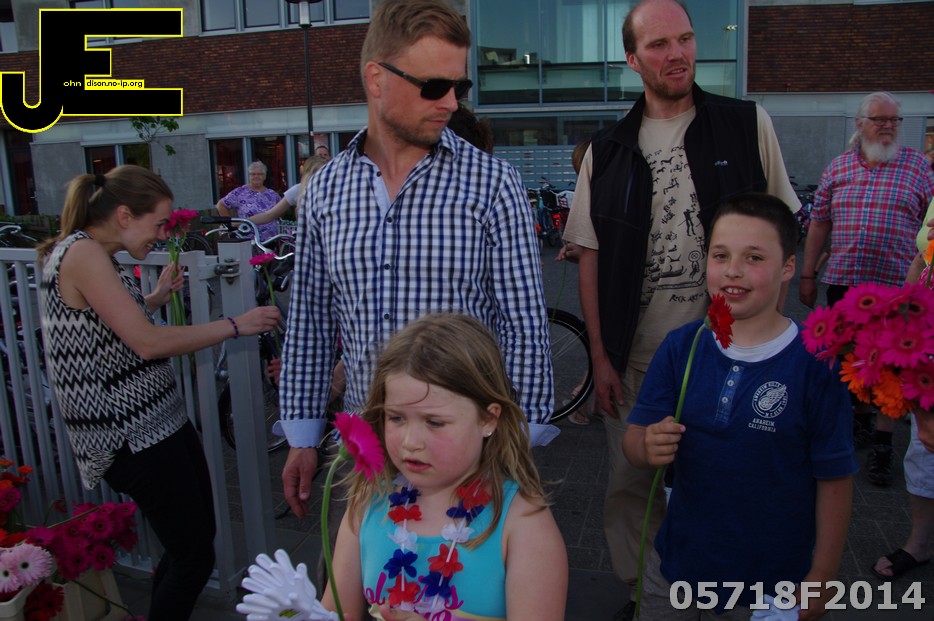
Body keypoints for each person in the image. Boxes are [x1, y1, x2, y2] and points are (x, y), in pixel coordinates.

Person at [560, 1, 799, 617]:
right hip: (638, 360)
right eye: (660, 44)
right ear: (632, 59)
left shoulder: (746, 125)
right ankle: (646, 595)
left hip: (733, 357)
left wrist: (773, 340)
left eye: (686, 39)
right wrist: (599, 359)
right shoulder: (607, 151)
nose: (678, 54)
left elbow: (780, 231)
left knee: (731, 484)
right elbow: (589, 257)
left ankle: (729, 594)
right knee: (631, 488)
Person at [278, 0, 555, 520]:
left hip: (466, 457)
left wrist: (518, 442)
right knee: (357, 573)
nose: (450, 102)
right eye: (434, 86)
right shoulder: (325, 191)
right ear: (376, 79)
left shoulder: (492, 184)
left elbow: (523, 324)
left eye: (459, 87)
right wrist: (302, 432)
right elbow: (310, 321)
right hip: (367, 455)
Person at [36, 165, 281, 621]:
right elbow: (145, 342)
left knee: (191, 543)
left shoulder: (92, 253)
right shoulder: (83, 253)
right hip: (131, 435)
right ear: (124, 215)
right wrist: (235, 324)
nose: (164, 234)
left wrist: (152, 300)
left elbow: (105, 325)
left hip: (156, 424)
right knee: (193, 557)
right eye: (160, 223)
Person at [623, 192, 857, 619]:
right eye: (720, 255)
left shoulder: (816, 363)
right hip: (675, 567)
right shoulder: (682, 346)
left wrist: (823, 575)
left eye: (754, 258)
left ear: (788, 267)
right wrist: (646, 446)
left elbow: (835, 477)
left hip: (767, 584)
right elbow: (635, 439)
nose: (733, 270)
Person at [322, 313, 567, 621]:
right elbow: (334, 610)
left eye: (434, 422)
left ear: (488, 420)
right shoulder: (369, 500)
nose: (411, 441)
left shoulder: (523, 523)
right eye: (396, 418)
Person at [799, 91, 934, 488]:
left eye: (894, 120)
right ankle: (857, 424)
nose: (888, 126)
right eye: (879, 119)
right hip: (845, 281)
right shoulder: (838, 167)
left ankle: (883, 445)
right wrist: (807, 275)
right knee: (851, 361)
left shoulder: (917, 167)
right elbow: (819, 223)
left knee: (894, 366)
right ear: (860, 124)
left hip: (899, 289)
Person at [250, 155, 328, 226]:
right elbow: (270, 215)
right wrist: (245, 221)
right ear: (309, 173)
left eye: (326, 172)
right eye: (317, 172)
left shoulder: (331, 189)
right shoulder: (299, 189)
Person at [215, 160, 281, 241]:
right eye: (253, 174)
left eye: (260, 174)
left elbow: (280, 212)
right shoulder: (240, 192)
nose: (256, 176)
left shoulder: (273, 195)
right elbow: (221, 205)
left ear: (265, 176)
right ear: (249, 176)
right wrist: (230, 224)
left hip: (271, 239)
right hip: (247, 238)